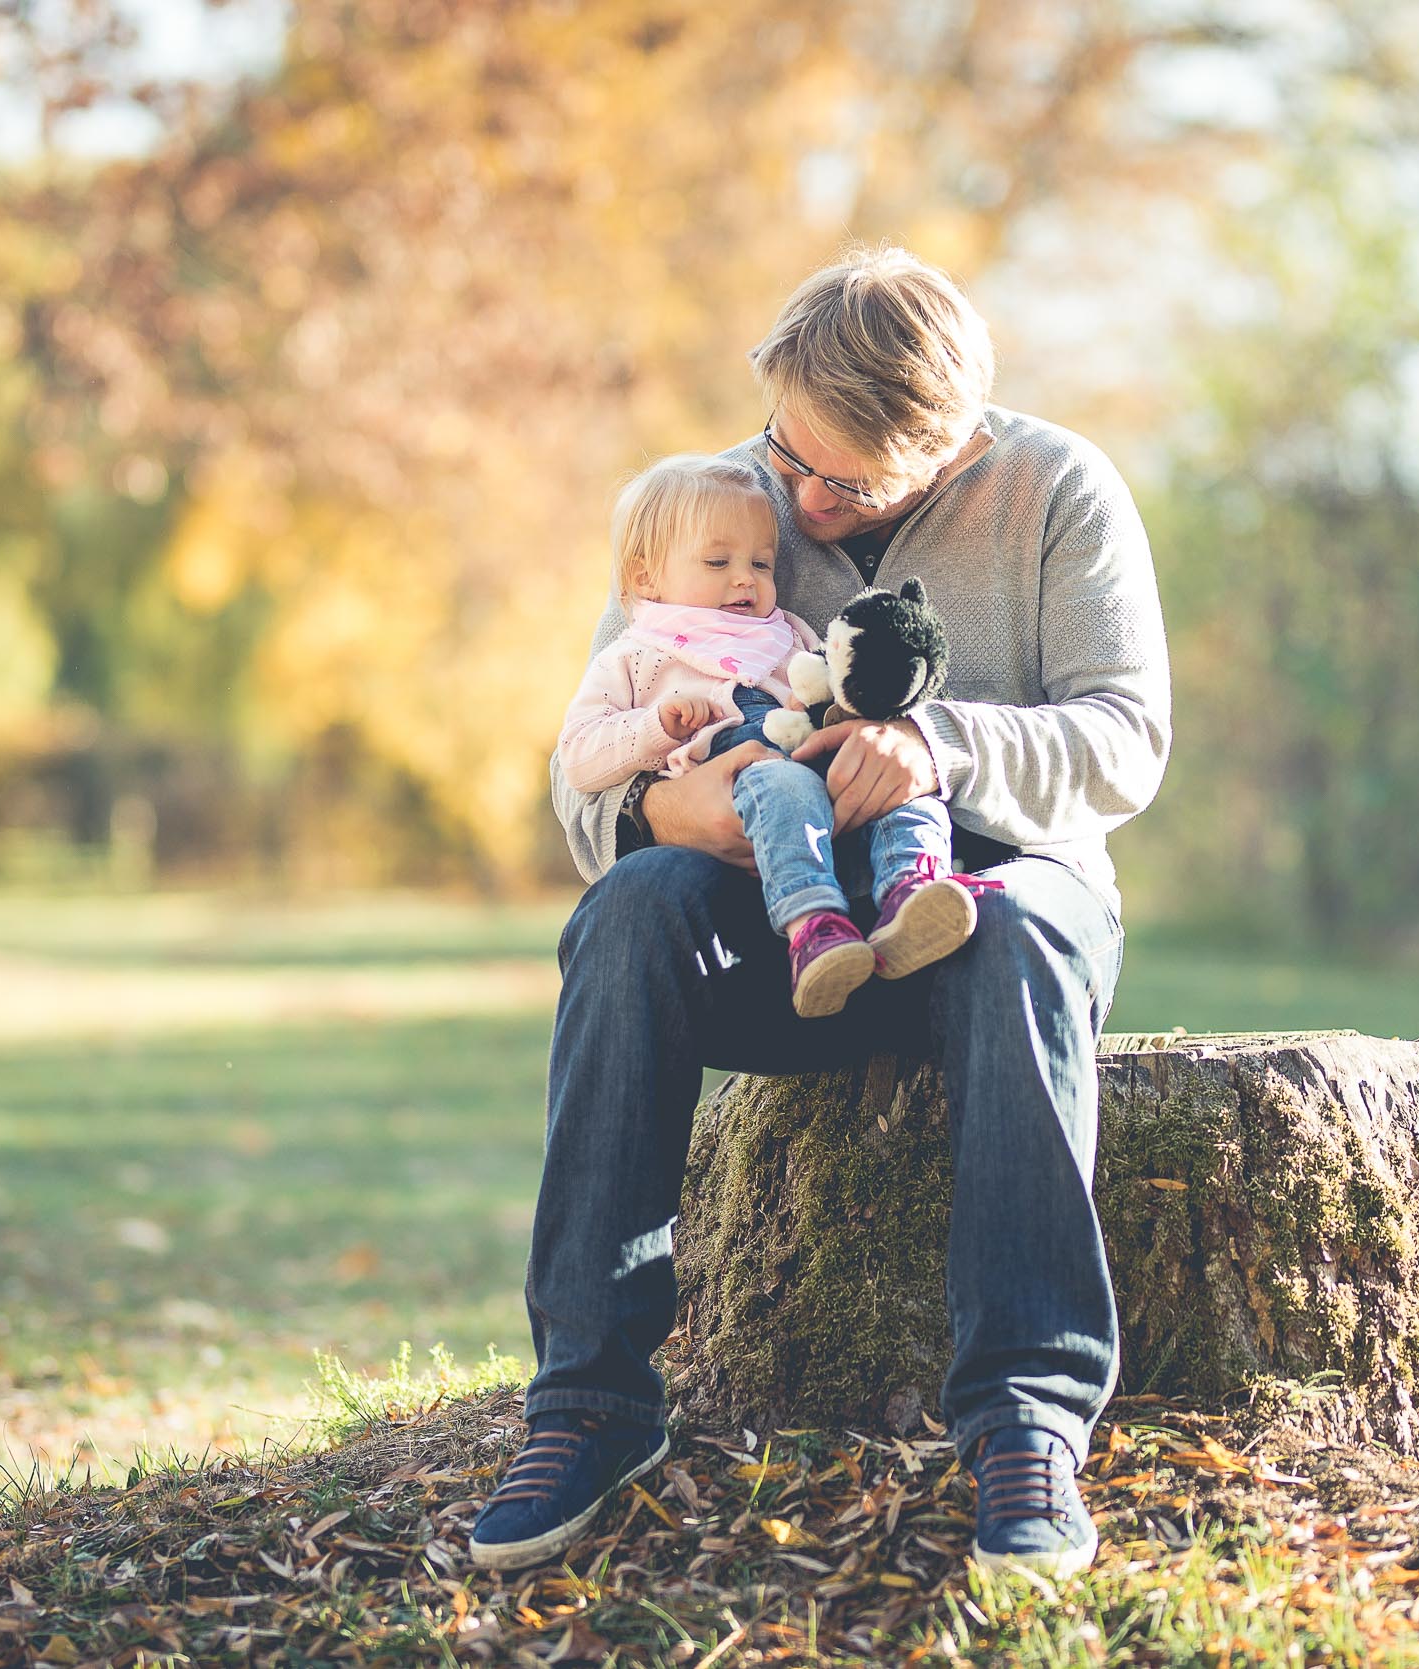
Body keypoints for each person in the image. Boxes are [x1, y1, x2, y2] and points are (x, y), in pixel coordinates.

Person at [468, 247, 1171, 1578]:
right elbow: (588, 763)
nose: (793, 499)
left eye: (837, 483)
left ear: (949, 447)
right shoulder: (719, 501)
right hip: (789, 927)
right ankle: (588, 1399)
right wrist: (671, 815)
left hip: (997, 896)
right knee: (631, 910)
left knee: (1011, 924)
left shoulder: (1059, 492)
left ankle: (1026, 1417)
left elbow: (1127, 742)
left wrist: (939, 747)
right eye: (786, 446)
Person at [555, 453, 981, 1018]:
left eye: (761, 563)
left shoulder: (787, 635)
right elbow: (579, 756)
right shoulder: (637, 654)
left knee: (896, 779)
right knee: (780, 785)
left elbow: (822, 693)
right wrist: (654, 727)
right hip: (740, 778)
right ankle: (814, 926)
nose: (744, 578)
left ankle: (915, 889)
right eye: (716, 561)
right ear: (644, 577)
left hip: (813, 758)